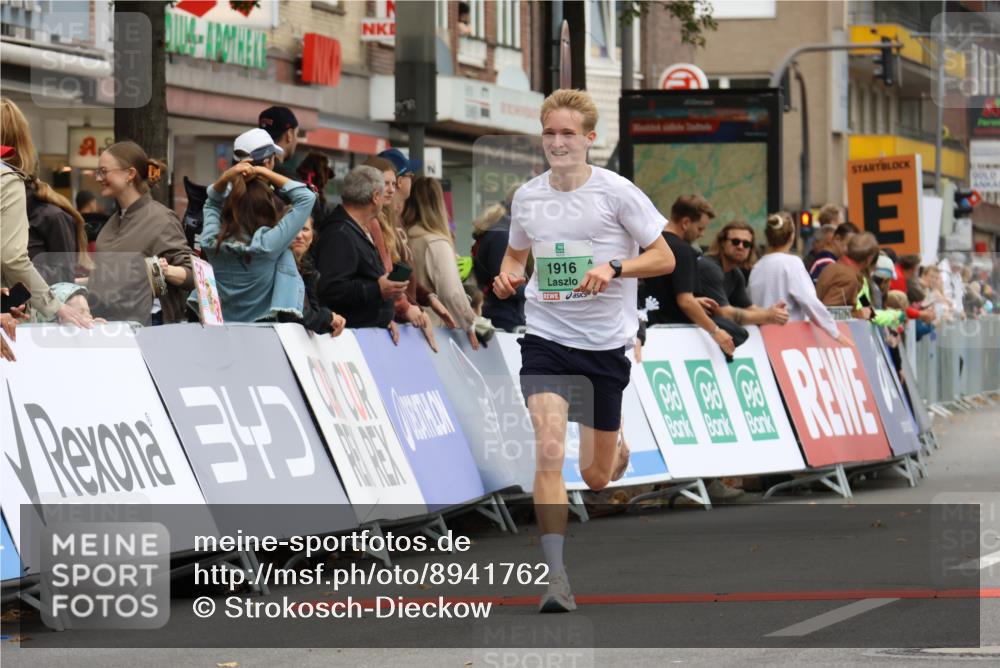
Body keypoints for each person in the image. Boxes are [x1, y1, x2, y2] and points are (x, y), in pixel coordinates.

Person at [491, 89, 675, 613]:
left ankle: (616, 444)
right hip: (546, 338)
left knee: (596, 477)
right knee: (549, 449)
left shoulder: (617, 193)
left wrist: (614, 268)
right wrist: (507, 278)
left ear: (590, 138)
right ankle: (556, 578)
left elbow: (664, 258)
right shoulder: (528, 197)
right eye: (549, 133)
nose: (558, 142)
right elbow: (515, 257)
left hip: (604, 346)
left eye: (568, 133)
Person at [1, 108, 90, 327]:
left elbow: (63, 275)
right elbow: (12, 257)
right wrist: (56, 307)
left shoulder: (52, 216)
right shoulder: (8, 180)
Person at [89, 141, 194, 324]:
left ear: (130, 174)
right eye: (98, 172)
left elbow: (192, 274)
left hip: (145, 329)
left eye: (104, 171)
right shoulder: (112, 222)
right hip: (106, 327)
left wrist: (165, 270)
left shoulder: (162, 219)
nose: (98, 178)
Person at [198, 160, 316, 323]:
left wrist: (226, 177)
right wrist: (264, 172)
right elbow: (306, 198)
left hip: (220, 331)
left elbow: (212, 203)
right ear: (268, 210)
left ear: (228, 210)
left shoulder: (211, 242)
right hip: (262, 333)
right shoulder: (268, 245)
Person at [314, 165, 408, 332]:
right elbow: (331, 289)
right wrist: (377, 289)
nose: (390, 193)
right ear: (376, 197)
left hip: (365, 334)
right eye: (384, 189)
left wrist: (383, 317)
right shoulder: (340, 233)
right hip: (346, 338)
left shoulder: (354, 229)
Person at [641, 194, 736, 357]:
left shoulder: (647, 244)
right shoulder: (684, 251)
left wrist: (693, 301)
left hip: (644, 331)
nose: (702, 234)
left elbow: (658, 289)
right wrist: (715, 331)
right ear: (685, 223)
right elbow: (685, 301)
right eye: (700, 228)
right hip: (672, 339)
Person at [403, 175, 480, 349]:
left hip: (407, 326)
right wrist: (469, 323)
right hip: (434, 331)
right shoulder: (436, 242)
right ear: (439, 204)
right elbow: (451, 292)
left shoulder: (403, 237)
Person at [748, 213, 849, 344]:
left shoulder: (757, 267)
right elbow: (809, 301)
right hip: (789, 340)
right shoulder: (792, 263)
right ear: (792, 236)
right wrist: (836, 333)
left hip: (762, 340)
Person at [697, 221, 788, 327]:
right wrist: (767, 316)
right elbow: (724, 312)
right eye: (735, 242)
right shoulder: (710, 268)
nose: (740, 247)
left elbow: (748, 308)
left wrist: (774, 313)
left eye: (746, 244)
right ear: (722, 243)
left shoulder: (736, 274)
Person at [473, 188, 527, 332]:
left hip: (497, 312)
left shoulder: (499, 229)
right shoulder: (502, 235)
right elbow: (504, 282)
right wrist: (542, 291)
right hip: (503, 316)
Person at [290, 216, 346, 336]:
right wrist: (327, 317)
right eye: (294, 228)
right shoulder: (278, 267)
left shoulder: (308, 270)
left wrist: (330, 322)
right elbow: (292, 315)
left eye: (305, 229)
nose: (299, 235)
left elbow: (311, 315)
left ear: (312, 236)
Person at [816, 231, 880, 319]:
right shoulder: (847, 277)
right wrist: (861, 314)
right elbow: (830, 314)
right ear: (869, 259)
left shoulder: (833, 267)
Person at [258, 106, 298, 175]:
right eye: (297, 134)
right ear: (290, 134)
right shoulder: (287, 179)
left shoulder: (245, 169)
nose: (297, 140)